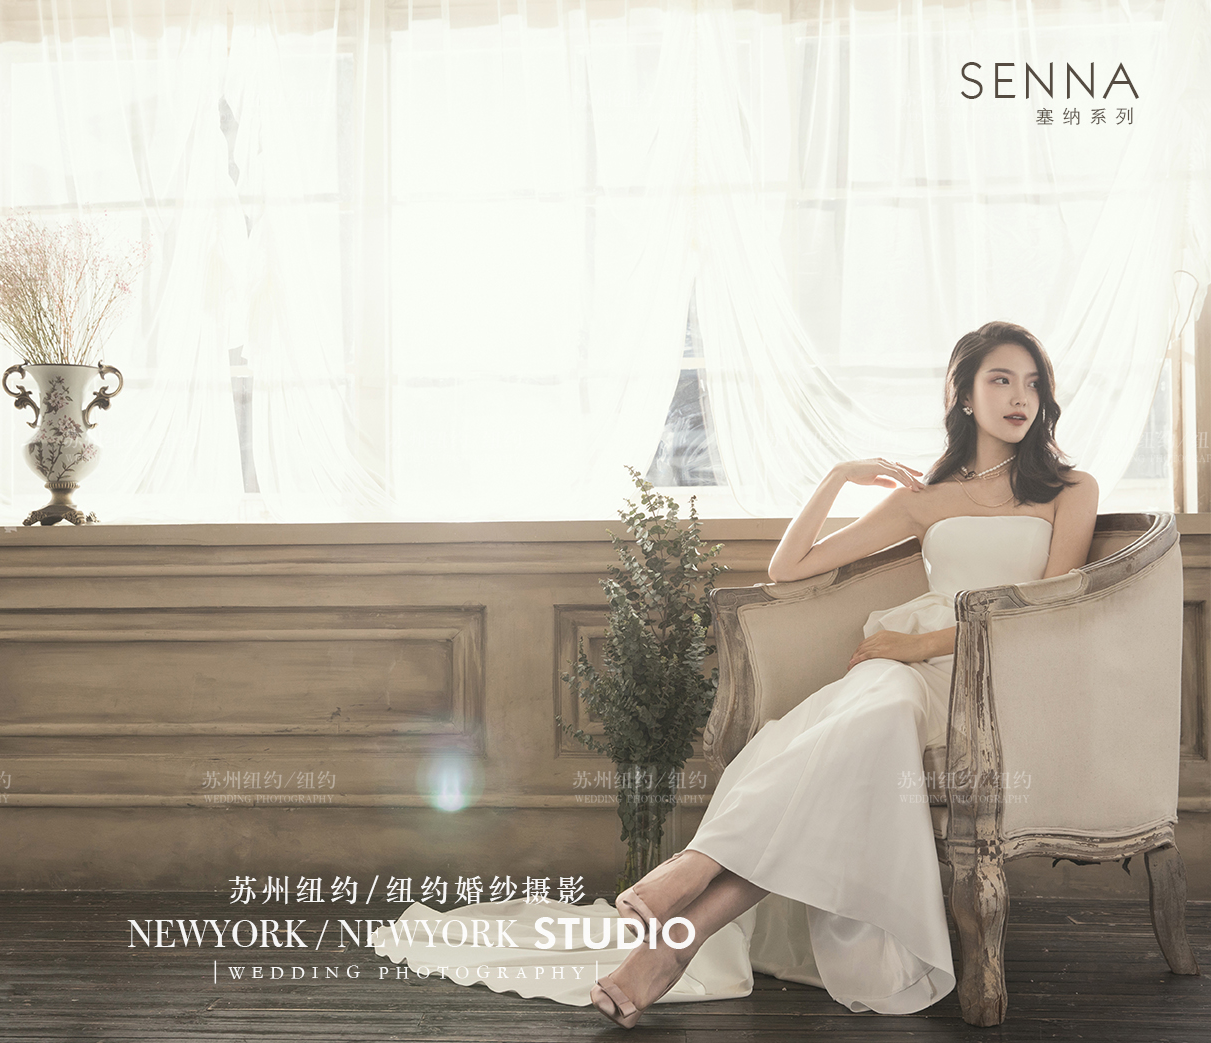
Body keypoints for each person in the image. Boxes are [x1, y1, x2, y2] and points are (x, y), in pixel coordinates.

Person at [372, 321, 1099, 1027]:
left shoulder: (1069, 489)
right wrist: (838, 477)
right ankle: (676, 938)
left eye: (1032, 383)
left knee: (862, 727)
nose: (1019, 396)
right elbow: (789, 566)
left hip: (986, 674)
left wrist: (916, 647)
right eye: (1000, 379)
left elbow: (1042, 611)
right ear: (963, 395)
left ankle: (686, 892)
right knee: (864, 727)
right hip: (896, 672)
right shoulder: (924, 499)